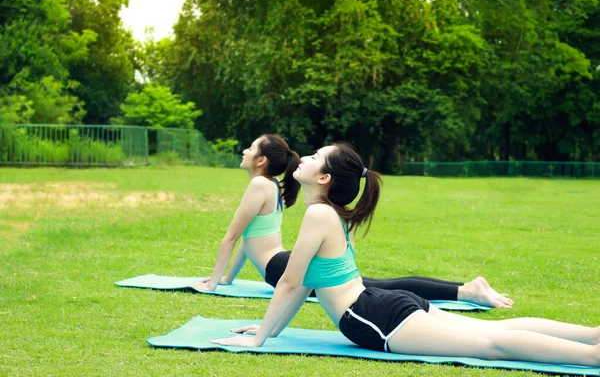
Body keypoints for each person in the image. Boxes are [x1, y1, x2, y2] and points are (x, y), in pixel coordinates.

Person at [212, 143, 600, 367]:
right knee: (495, 330)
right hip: (381, 305)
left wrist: (259, 340)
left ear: (324, 178)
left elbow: (292, 282)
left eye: (315, 156)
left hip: (371, 317)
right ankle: (592, 336)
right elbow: (301, 285)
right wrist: (271, 330)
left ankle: (592, 356)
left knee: (491, 342)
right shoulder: (331, 214)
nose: (306, 158)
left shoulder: (318, 213)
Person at [192, 135, 513, 308]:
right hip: (278, 262)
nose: (245, 151)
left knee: (376, 287)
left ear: (261, 160)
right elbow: (250, 242)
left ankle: (466, 291)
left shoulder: (259, 185)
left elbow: (233, 237)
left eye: (250, 148)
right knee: (376, 284)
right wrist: (227, 281)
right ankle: (465, 290)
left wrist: (212, 282)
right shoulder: (270, 185)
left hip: (279, 267)